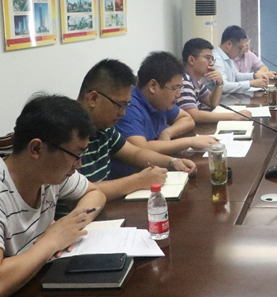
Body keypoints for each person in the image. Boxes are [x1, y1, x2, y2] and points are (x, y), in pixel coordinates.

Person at [0, 94, 107, 297]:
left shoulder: (49, 174)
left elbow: (95, 193)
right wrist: (52, 241)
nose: (79, 165)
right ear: (37, 148)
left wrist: (71, 225)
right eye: (76, 155)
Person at [77, 59, 196, 201]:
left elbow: (135, 153)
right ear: (93, 99)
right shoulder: (66, 133)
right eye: (120, 105)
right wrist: (138, 180)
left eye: (126, 106)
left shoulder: (104, 129)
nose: (123, 113)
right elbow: (79, 191)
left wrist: (173, 162)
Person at [113, 51, 214, 178]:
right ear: (153, 86)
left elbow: (187, 119)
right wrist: (189, 141)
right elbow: (141, 149)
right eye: (175, 88)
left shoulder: (160, 101)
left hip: (154, 169)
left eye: (180, 88)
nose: (178, 95)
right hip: (131, 177)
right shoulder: (128, 107)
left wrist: (167, 132)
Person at [179, 38, 252, 122]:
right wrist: (234, 116)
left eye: (212, 59)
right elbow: (194, 115)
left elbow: (212, 102)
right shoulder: (183, 81)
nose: (212, 63)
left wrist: (219, 83)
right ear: (191, 60)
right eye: (208, 58)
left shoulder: (196, 81)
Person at [214, 25, 271, 93]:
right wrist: (250, 83)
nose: (241, 51)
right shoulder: (216, 59)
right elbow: (223, 86)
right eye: (240, 48)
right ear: (229, 44)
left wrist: (254, 75)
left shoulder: (226, 57)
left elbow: (236, 76)